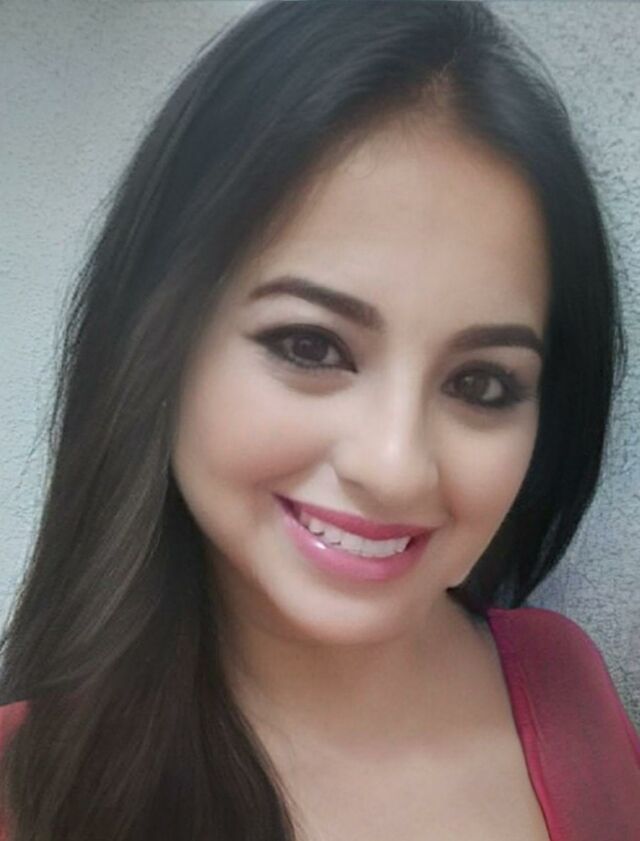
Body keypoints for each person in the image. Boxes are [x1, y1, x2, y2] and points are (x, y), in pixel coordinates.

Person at [0, 1, 638, 839]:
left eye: (481, 383)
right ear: (159, 345)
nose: (395, 464)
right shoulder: (27, 792)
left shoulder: (560, 682)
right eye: (310, 345)